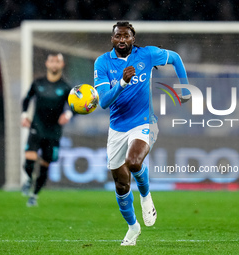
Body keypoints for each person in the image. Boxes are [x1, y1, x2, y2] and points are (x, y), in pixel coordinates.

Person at [94, 21, 191, 246]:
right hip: (117, 128)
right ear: (112, 39)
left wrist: (185, 88)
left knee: (134, 161)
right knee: (121, 185)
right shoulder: (102, 63)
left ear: (133, 38)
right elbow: (104, 102)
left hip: (144, 121)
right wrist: (122, 83)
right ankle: (133, 227)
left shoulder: (147, 55)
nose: (122, 40)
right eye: (118, 36)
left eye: (126, 36)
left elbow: (175, 57)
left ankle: (146, 196)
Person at [21, 53, 72, 207]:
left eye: (57, 61)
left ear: (62, 65)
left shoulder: (65, 87)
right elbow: (27, 98)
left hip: (54, 131)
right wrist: (24, 115)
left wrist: (68, 114)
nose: (54, 64)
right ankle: (29, 178)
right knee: (29, 161)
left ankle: (34, 195)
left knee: (45, 165)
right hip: (36, 127)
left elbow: (75, 105)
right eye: (51, 61)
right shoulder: (38, 83)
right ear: (47, 64)